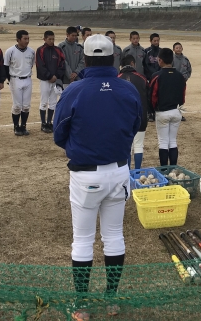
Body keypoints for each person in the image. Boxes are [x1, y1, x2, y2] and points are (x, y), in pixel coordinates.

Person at [53, 34, 142, 320]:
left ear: (85, 58)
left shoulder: (75, 90)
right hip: (119, 171)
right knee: (114, 236)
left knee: (82, 240)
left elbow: (59, 133)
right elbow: (137, 124)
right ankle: (111, 299)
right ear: (113, 57)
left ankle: (81, 304)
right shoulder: (127, 88)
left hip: (86, 174)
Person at [150, 48, 186, 165]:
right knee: (173, 141)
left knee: (163, 142)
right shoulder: (180, 76)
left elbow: (153, 96)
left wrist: (153, 109)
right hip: (176, 111)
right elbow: (183, 95)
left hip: (162, 112)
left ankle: (164, 169)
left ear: (160, 60)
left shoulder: (156, 76)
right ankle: (173, 168)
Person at [118, 55, 149, 170]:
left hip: (123, 118)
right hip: (140, 116)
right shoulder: (142, 78)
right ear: (132, 63)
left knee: (127, 146)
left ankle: (128, 172)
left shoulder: (117, 78)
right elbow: (148, 97)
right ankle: (137, 171)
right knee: (139, 145)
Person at [4, 30, 35, 136]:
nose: (27, 41)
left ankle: (23, 126)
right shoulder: (10, 51)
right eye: (24, 39)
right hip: (15, 79)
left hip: (28, 79)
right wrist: (10, 80)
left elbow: (31, 65)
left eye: (28, 38)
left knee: (26, 106)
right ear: (18, 40)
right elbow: (6, 66)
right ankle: (16, 127)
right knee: (17, 106)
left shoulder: (31, 51)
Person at [36, 30, 66, 134]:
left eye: (53, 39)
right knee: (44, 101)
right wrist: (49, 76)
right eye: (49, 39)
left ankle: (49, 122)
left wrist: (56, 76)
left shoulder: (58, 50)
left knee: (53, 102)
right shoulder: (40, 50)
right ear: (44, 39)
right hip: (45, 80)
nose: (51, 41)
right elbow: (40, 65)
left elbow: (62, 64)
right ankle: (43, 123)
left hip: (55, 80)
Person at [172, 42, 192, 121]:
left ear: (182, 49)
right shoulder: (171, 59)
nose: (178, 49)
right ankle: (173, 113)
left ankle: (179, 114)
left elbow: (189, 70)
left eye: (180, 48)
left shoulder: (185, 59)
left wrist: (186, 77)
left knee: (181, 98)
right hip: (173, 82)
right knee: (173, 97)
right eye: (177, 48)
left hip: (182, 82)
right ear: (173, 49)